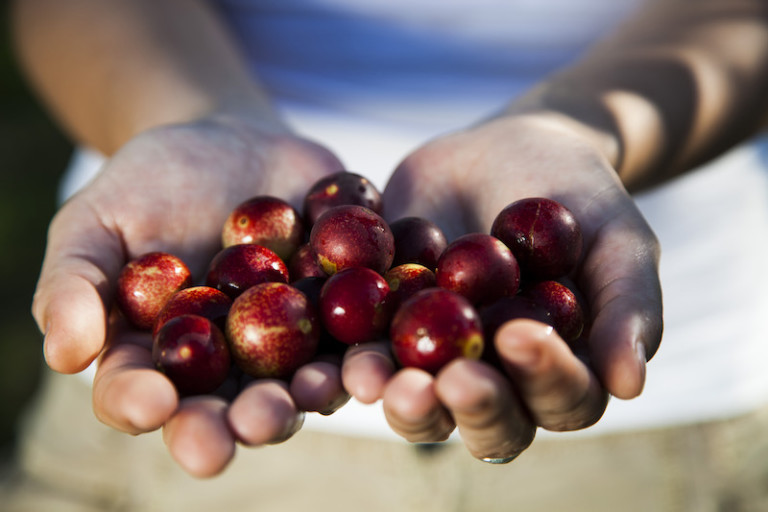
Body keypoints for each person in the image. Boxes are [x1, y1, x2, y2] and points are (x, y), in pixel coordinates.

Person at [4, 0, 768, 510]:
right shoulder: (279, 281)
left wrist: (578, 134)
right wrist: (192, 118)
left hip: (674, 433)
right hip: (168, 446)